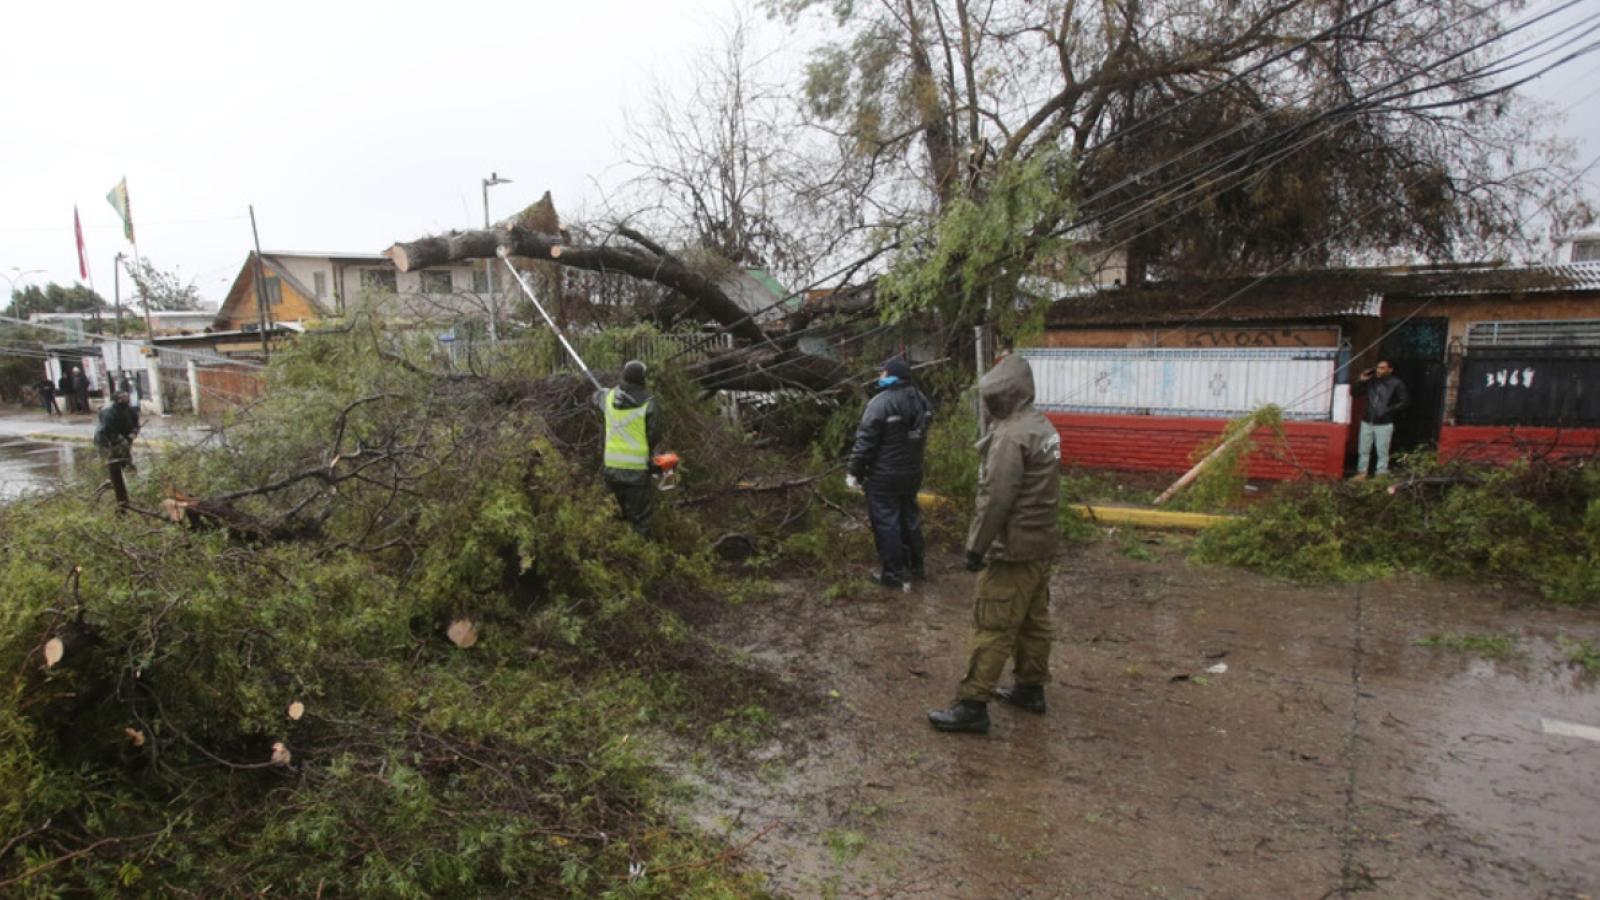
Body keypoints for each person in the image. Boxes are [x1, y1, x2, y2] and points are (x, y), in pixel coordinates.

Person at [928, 353, 1061, 735]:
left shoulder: (1010, 436)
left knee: (992, 624)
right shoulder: (1042, 426)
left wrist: (976, 547)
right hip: (1041, 544)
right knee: (1034, 621)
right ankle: (1030, 688)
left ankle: (972, 705)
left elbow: (996, 498)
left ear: (1003, 395)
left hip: (1013, 548)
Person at [847, 356, 934, 589]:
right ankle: (916, 567)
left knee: (887, 523)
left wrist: (854, 471)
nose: (880, 377)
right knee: (910, 519)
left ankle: (893, 574)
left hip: (883, 476)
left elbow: (865, 442)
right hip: (912, 473)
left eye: (883, 373)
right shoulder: (922, 401)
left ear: (891, 375)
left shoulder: (880, 403)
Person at [594, 360, 661, 535]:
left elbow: (596, 398)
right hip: (636, 471)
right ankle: (640, 554)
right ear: (643, 379)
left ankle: (617, 554)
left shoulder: (608, 398)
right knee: (640, 519)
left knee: (613, 516)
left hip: (611, 470)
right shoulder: (649, 403)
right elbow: (654, 435)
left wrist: (602, 393)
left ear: (624, 376)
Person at [1352, 359, 1408, 479]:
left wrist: (1387, 410)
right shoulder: (1371, 382)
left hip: (1384, 422)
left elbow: (1404, 401)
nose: (1379, 370)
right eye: (1378, 367)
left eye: (1383, 368)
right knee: (1363, 449)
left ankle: (1381, 474)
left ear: (1390, 370)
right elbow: (1354, 393)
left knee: (1382, 451)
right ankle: (1362, 472)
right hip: (1367, 420)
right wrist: (1361, 381)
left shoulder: (1396, 383)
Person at [94, 391, 141, 509]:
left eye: (126, 396)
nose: (126, 399)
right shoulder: (109, 412)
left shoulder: (131, 411)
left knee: (126, 462)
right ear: (117, 400)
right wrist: (119, 439)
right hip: (107, 442)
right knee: (112, 465)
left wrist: (133, 433)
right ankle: (110, 490)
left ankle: (133, 488)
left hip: (125, 441)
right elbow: (107, 429)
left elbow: (135, 424)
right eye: (122, 397)